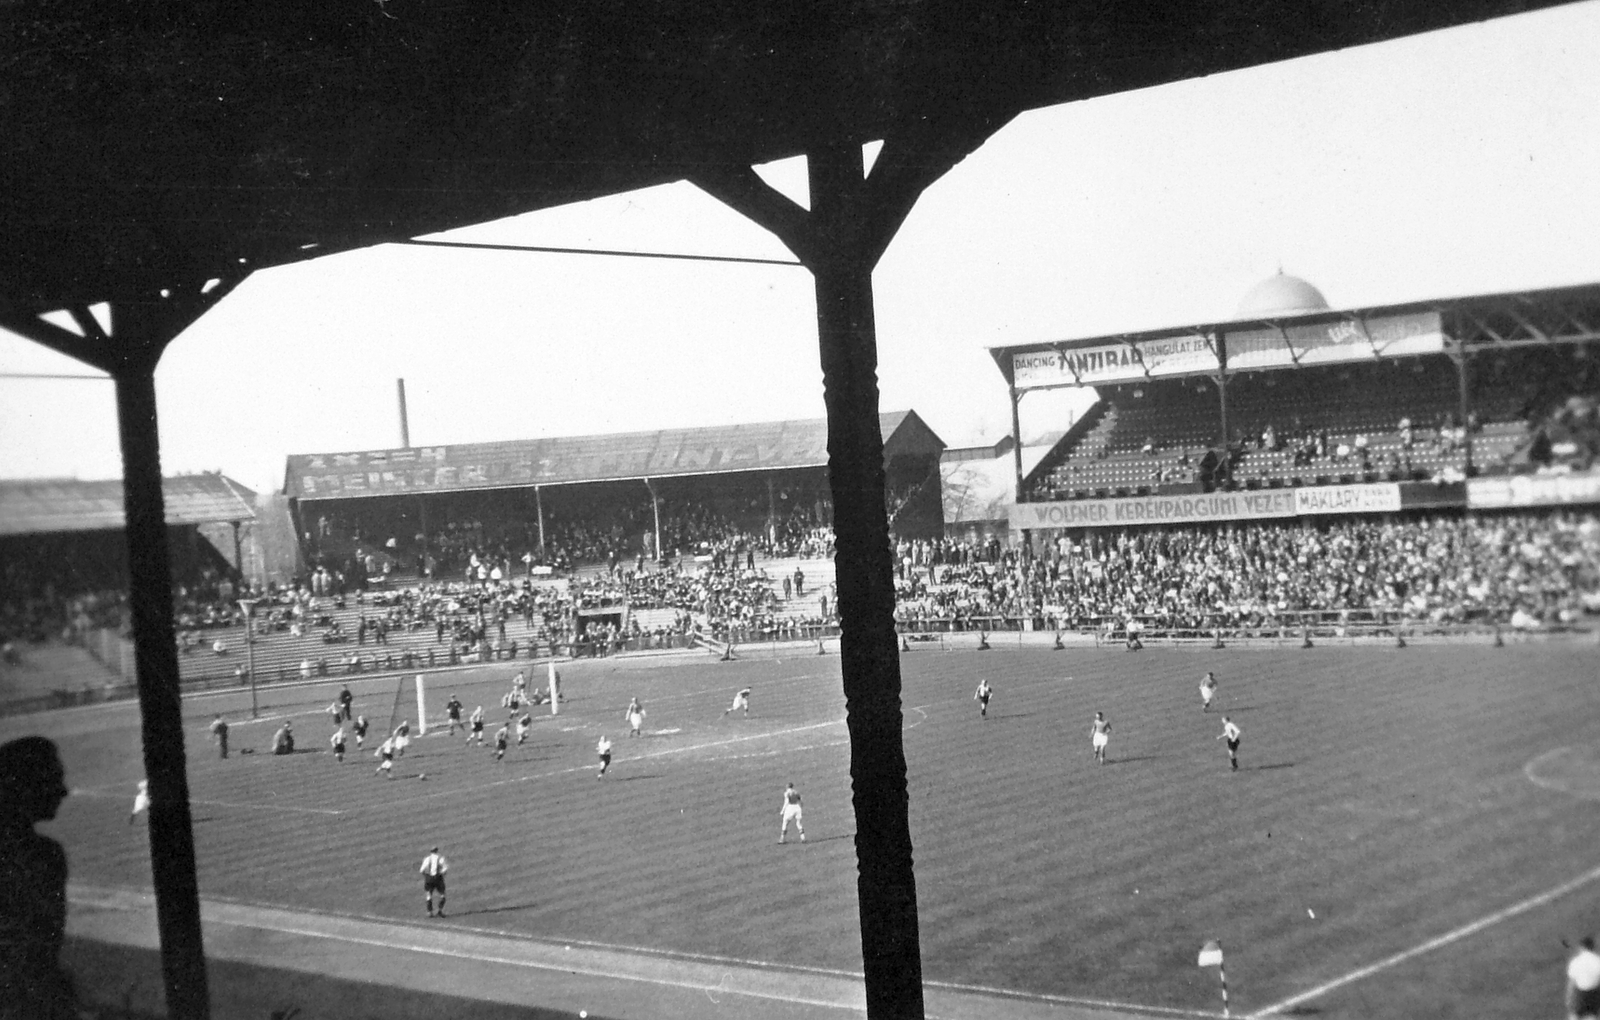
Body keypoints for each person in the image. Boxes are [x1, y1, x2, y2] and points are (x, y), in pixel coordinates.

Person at [0, 737, 75, 1019]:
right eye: (53, 779)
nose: (63, 791)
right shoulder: (44, 857)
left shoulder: (45, 855)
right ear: (24, 787)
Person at [1568, 936, 1600, 1020]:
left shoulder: (1576, 961)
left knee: (1574, 1015)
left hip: (1580, 994)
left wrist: (1569, 998)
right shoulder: (1598, 960)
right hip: (1594, 993)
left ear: (1582, 947)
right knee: (1592, 1016)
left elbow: (1572, 983)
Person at [420, 847, 448, 917]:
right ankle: (439, 910)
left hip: (429, 878)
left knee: (429, 894)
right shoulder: (440, 858)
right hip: (438, 878)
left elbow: (421, 870)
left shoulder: (427, 859)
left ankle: (430, 912)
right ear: (436, 851)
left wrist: (426, 876)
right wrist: (441, 873)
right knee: (442, 895)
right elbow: (445, 869)